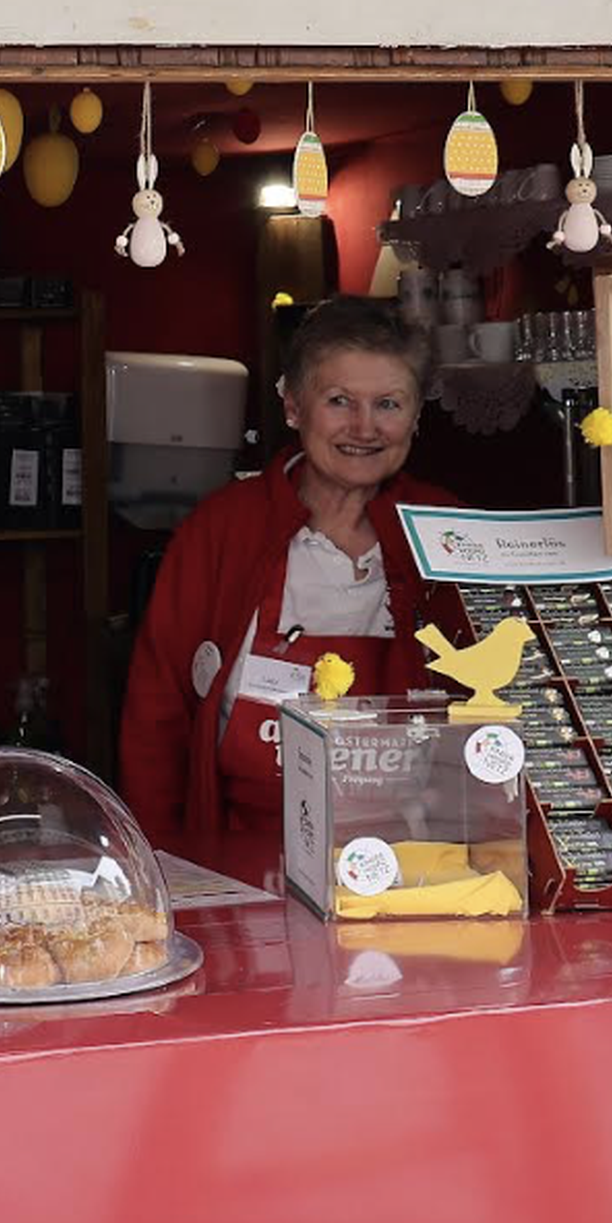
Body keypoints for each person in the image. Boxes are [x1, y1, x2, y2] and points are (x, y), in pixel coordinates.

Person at [117, 298, 456, 858]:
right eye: (339, 401)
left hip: (416, 870)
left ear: (417, 416)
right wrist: (163, 865)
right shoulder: (221, 530)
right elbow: (157, 716)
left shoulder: (448, 533)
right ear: (294, 406)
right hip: (238, 860)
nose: (364, 427)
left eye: (389, 404)